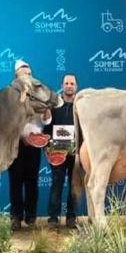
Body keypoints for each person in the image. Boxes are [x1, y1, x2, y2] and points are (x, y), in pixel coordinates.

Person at [8, 60, 51, 230]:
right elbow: (8, 122)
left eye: (29, 73)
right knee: (15, 182)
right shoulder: (10, 95)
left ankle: (31, 216)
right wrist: (20, 137)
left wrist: (47, 110)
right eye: (24, 73)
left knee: (32, 182)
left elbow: (46, 120)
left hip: (35, 146)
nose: (27, 76)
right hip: (15, 145)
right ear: (17, 76)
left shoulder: (40, 93)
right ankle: (15, 217)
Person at [45, 74, 79, 228]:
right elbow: (47, 129)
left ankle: (71, 217)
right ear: (62, 86)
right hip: (57, 153)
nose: (69, 86)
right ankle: (53, 219)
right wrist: (47, 149)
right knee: (56, 185)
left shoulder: (81, 107)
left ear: (76, 87)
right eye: (66, 83)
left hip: (76, 154)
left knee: (74, 187)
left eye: (72, 83)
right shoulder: (54, 106)